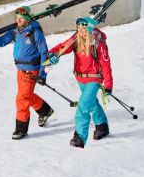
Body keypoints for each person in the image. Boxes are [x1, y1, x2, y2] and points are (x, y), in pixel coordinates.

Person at [0, 5, 53, 140]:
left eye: (21, 18)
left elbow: (45, 54)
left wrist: (43, 74)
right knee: (26, 95)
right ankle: (45, 111)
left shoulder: (35, 33)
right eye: (16, 18)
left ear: (27, 19)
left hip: (32, 70)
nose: (18, 20)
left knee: (21, 99)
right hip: (20, 70)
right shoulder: (15, 31)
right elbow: (2, 42)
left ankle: (21, 129)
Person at [46, 16, 114, 148]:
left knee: (83, 107)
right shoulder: (75, 39)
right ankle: (102, 126)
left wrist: (108, 85)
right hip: (81, 78)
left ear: (89, 28)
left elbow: (106, 65)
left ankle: (79, 138)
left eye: (84, 27)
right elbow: (62, 47)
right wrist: (52, 54)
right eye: (79, 27)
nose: (81, 30)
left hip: (94, 78)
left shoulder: (98, 44)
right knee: (92, 103)